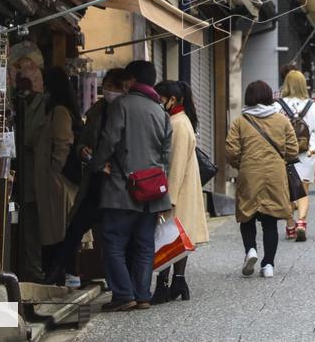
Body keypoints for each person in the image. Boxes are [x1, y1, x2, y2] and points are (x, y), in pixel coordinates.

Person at [91, 60, 172, 311]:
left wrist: (96, 163)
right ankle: (142, 295)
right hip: (152, 191)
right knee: (144, 244)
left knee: (113, 241)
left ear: (133, 80)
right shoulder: (162, 112)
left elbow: (109, 139)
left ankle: (124, 295)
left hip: (122, 187)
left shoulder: (122, 106)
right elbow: (166, 154)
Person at [45, 68, 132, 287]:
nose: (109, 91)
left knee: (112, 236)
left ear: (125, 88)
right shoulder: (96, 111)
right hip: (95, 181)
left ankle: (121, 286)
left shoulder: (129, 111)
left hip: (118, 183)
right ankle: (59, 271)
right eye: (107, 86)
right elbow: (83, 140)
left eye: (115, 87)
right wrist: (82, 149)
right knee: (76, 227)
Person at [225, 80, 298, 279]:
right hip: (275, 173)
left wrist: (242, 164)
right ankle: (268, 265)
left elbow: (231, 150)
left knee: (247, 215)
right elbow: (293, 149)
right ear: (269, 97)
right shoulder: (282, 120)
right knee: (270, 221)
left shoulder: (240, 121)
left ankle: (251, 250)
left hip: (249, 172)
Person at [153, 80, 209, 303]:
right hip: (185, 189)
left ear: (172, 100)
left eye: (160, 99)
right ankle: (177, 282)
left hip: (178, 191)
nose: (158, 103)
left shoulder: (177, 124)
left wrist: (168, 198)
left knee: (169, 239)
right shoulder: (181, 120)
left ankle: (166, 285)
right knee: (176, 239)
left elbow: (174, 164)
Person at [34, 67, 80, 280]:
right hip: (54, 180)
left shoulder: (59, 111)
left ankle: (61, 272)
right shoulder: (53, 109)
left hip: (57, 182)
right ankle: (59, 272)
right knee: (55, 227)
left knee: (57, 228)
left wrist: (55, 168)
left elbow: (63, 142)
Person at [277, 69, 315, 242]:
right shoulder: (311, 105)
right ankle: (302, 222)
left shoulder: (278, 106)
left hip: (285, 154)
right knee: (303, 190)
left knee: (287, 190)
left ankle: (290, 225)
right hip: (307, 153)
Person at [14, 76, 46, 282]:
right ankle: (31, 266)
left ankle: (34, 267)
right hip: (26, 174)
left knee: (33, 224)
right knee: (29, 222)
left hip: (33, 175)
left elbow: (29, 137)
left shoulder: (41, 105)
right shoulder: (29, 104)